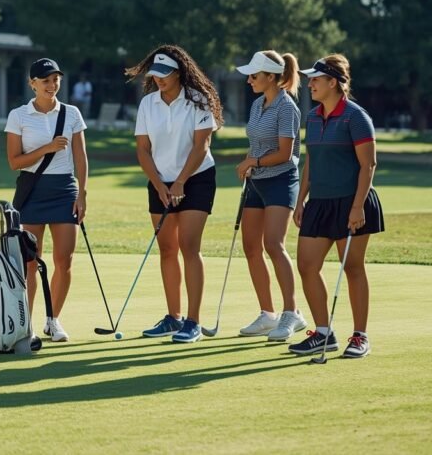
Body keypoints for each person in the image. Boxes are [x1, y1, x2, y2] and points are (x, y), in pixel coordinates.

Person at [289, 54, 384, 359]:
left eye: (316, 79)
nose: (310, 84)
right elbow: (310, 163)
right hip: (319, 202)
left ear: (333, 82)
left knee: (353, 268)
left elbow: (368, 165)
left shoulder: (356, 117)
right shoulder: (313, 117)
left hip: (351, 201)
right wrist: (301, 199)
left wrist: (357, 208)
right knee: (306, 265)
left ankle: (360, 336)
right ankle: (323, 333)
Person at [128, 46, 223, 344]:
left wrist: (180, 181)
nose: (158, 79)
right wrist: (159, 184)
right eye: (155, 74)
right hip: (160, 180)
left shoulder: (198, 101)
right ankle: (174, 317)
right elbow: (143, 149)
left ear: (179, 73)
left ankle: (193, 322)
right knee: (167, 248)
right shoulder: (148, 105)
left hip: (196, 178)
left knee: (188, 245)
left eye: (164, 74)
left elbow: (201, 146)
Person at [5, 58, 88, 343]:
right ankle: (25, 323)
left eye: (55, 80)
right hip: (32, 191)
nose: (52, 85)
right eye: (45, 81)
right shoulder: (18, 115)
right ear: (32, 84)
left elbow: (80, 157)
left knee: (64, 260)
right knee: (30, 261)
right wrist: (47, 148)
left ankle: (53, 320)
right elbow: (14, 162)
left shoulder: (72, 113)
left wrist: (82, 193)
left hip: (65, 189)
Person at [233, 50, 308, 341]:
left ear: (272, 77)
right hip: (257, 182)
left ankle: (292, 313)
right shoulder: (256, 105)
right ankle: (268, 314)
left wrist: (253, 162)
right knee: (251, 247)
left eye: (254, 75)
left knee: (273, 244)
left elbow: (285, 153)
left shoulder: (287, 107)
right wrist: (250, 161)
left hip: (281, 180)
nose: (249, 80)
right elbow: (257, 143)